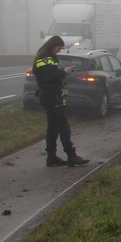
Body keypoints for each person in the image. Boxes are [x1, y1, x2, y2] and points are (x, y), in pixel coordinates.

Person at [33, 36, 90, 167]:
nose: (59, 51)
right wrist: (64, 72)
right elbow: (49, 76)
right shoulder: (45, 59)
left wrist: (62, 73)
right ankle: (71, 155)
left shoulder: (47, 57)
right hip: (50, 95)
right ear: (52, 46)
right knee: (63, 126)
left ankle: (51, 156)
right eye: (58, 48)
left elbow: (50, 74)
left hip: (50, 94)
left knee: (53, 127)